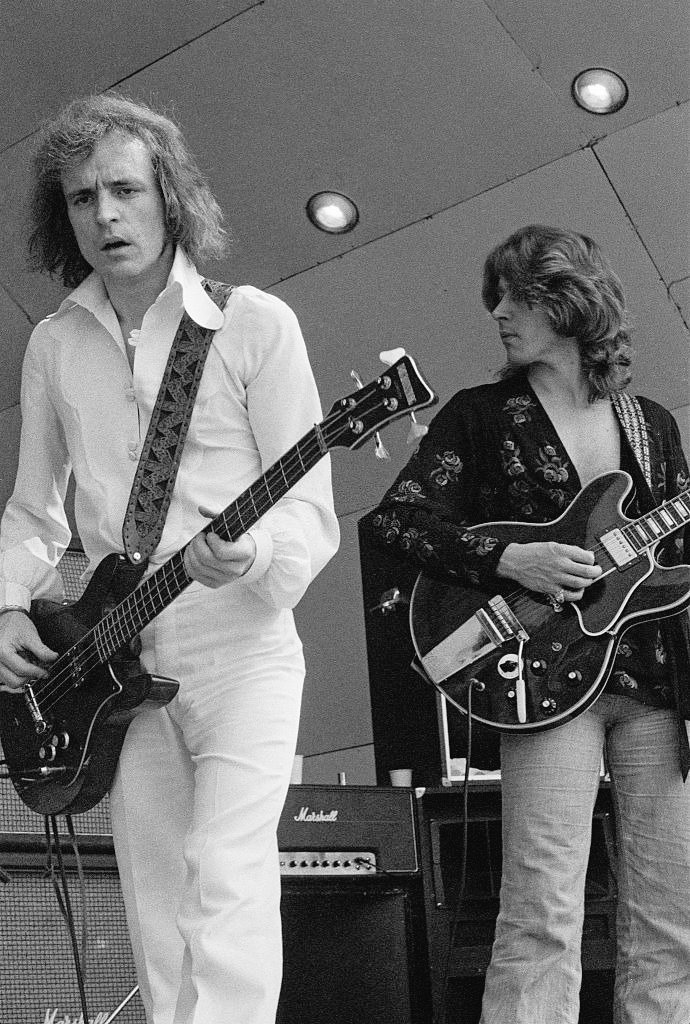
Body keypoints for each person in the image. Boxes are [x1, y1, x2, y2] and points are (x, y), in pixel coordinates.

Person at [0, 92, 339, 1024]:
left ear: (169, 195)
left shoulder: (253, 324)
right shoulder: (54, 344)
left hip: (244, 643)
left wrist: (256, 550)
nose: (104, 216)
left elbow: (309, 513)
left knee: (228, 883)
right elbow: (36, 512)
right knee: (156, 907)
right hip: (119, 654)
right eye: (80, 199)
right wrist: (7, 606)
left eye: (122, 189)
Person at [364, 224, 690, 1024]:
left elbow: (676, 551)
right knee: (541, 910)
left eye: (517, 296)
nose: (500, 313)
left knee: (671, 920)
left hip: (655, 679)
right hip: (541, 679)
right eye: (497, 297)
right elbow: (395, 522)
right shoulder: (481, 416)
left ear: (568, 302)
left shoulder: (648, 420)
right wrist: (512, 562)